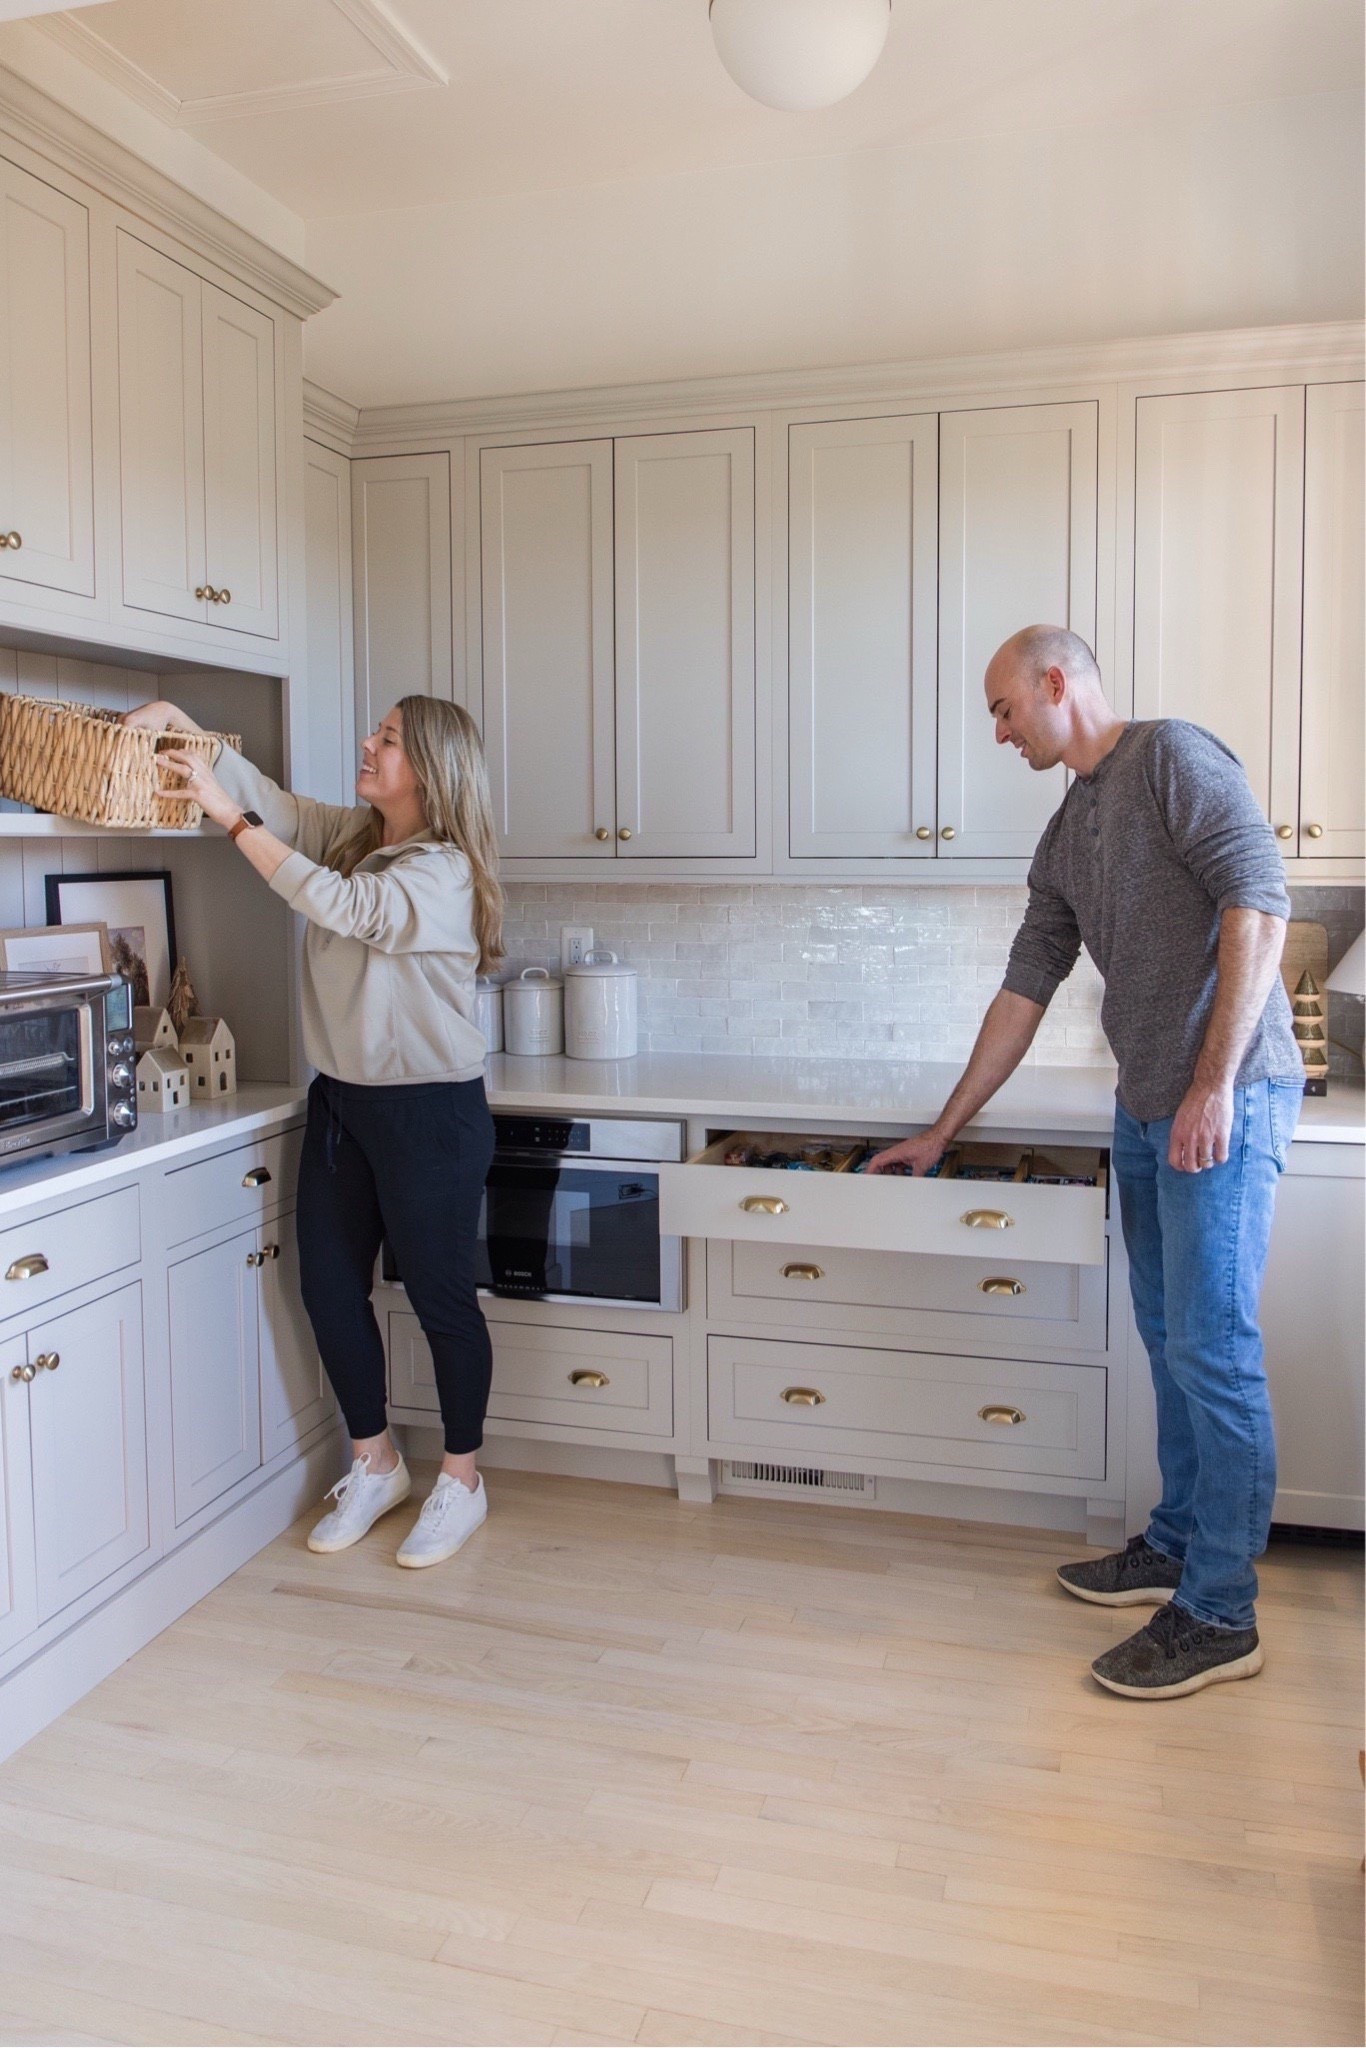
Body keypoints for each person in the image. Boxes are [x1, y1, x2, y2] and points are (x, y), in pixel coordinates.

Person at [867, 626, 1304, 1700]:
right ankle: (1173, 1542)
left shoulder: (1172, 759)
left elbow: (1260, 896)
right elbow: (1025, 987)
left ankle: (1217, 1611)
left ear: (1056, 684)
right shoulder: (1068, 832)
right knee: (1166, 1340)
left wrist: (1211, 1084)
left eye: (1003, 707)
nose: (998, 729)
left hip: (1225, 1097)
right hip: (1145, 1102)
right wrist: (943, 1128)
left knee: (1214, 1347)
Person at [123, 695, 504, 1570]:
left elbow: (343, 907)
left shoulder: (441, 869)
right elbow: (274, 800)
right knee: (329, 1288)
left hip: (429, 1112)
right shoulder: (356, 833)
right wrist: (188, 727)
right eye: (373, 730)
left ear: (433, 770)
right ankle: (376, 1464)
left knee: (443, 1301)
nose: (367, 744)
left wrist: (229, 822)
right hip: (343, 1104)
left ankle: (463, 1481)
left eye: (389, 740)